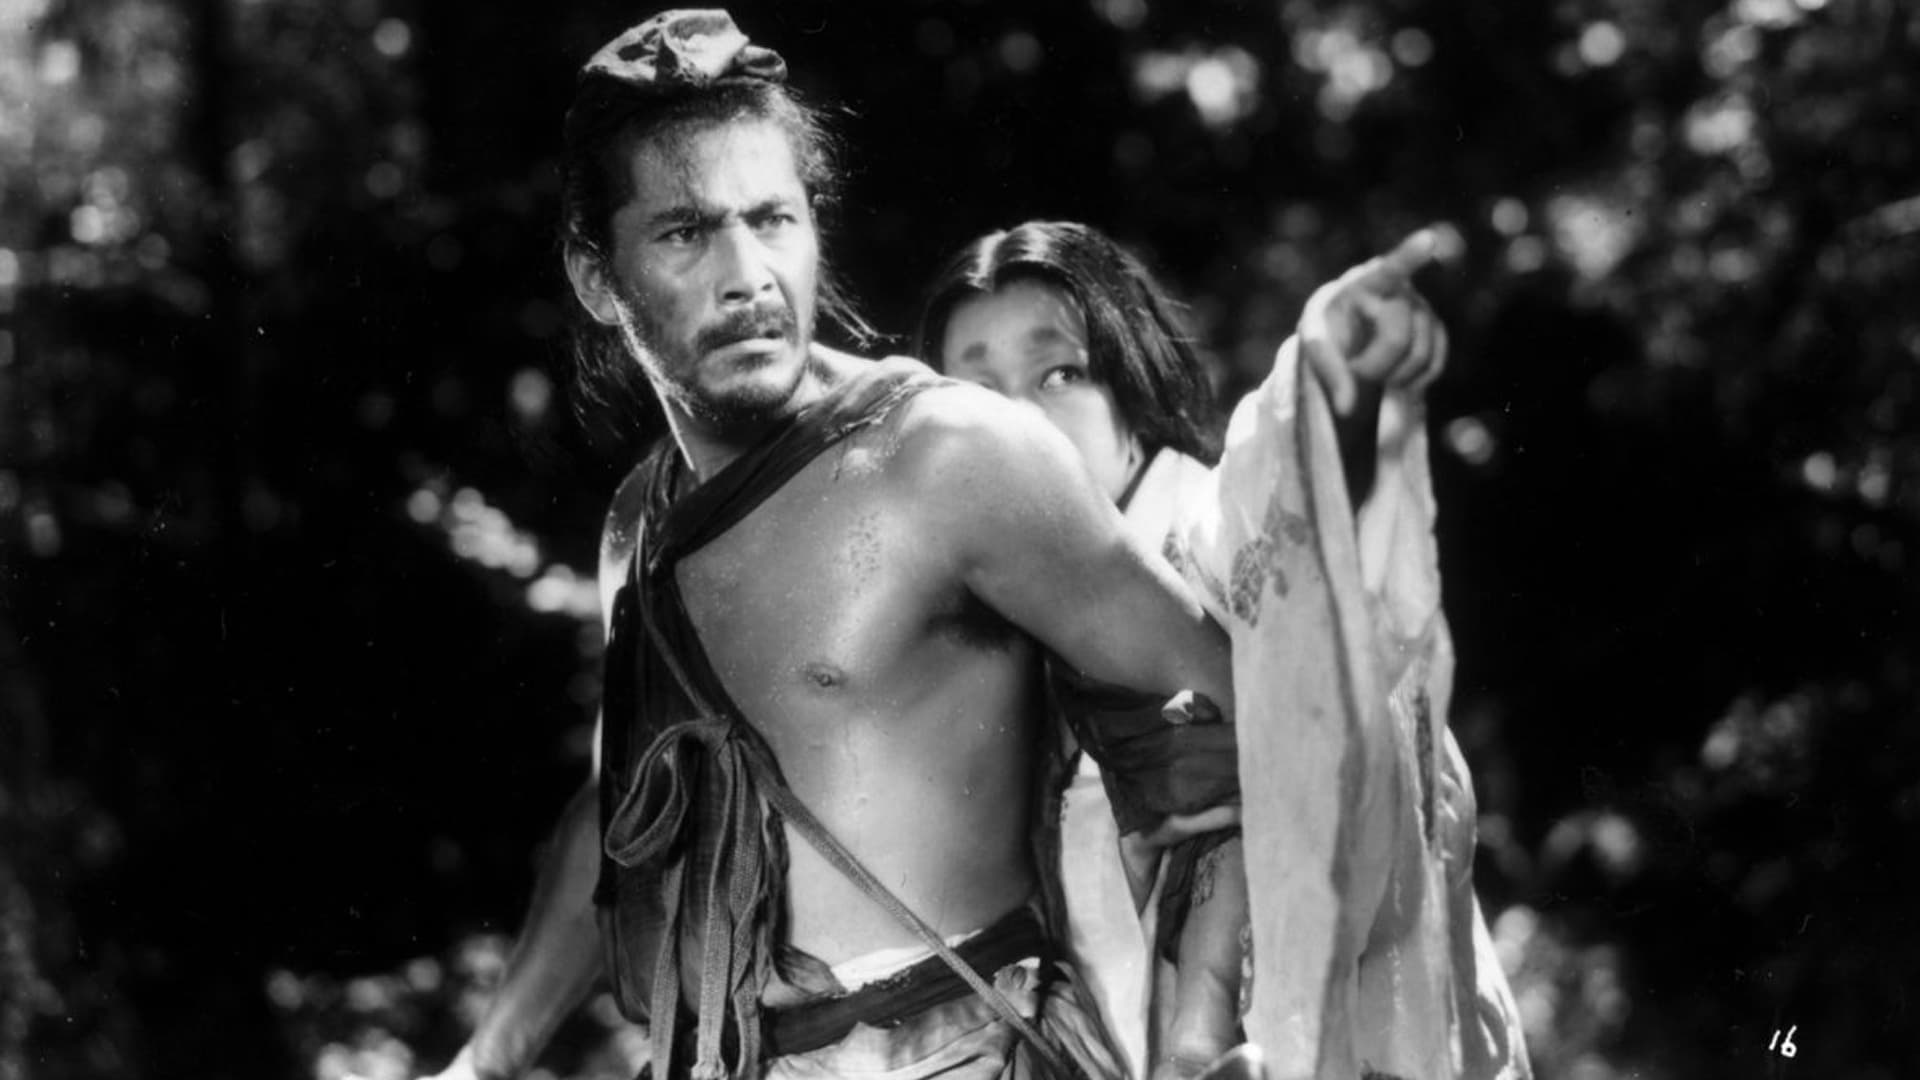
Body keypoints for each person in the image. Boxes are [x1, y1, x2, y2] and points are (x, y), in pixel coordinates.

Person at [436, 11, 1255, 1080]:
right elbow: (621, 816)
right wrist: (482, 1063)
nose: (748, 276)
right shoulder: (639, 524)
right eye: (685, 233)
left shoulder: (948, 454)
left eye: (772, 219)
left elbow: (1246, 722)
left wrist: (1205, 1028)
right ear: (598, 278)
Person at [920, 221, 1530, 1080]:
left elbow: (1276, 498)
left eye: (1059, 375)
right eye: (977, 398)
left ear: (1132, 385)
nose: (1017, 423)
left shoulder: (1212, 543)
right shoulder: (995, 648)